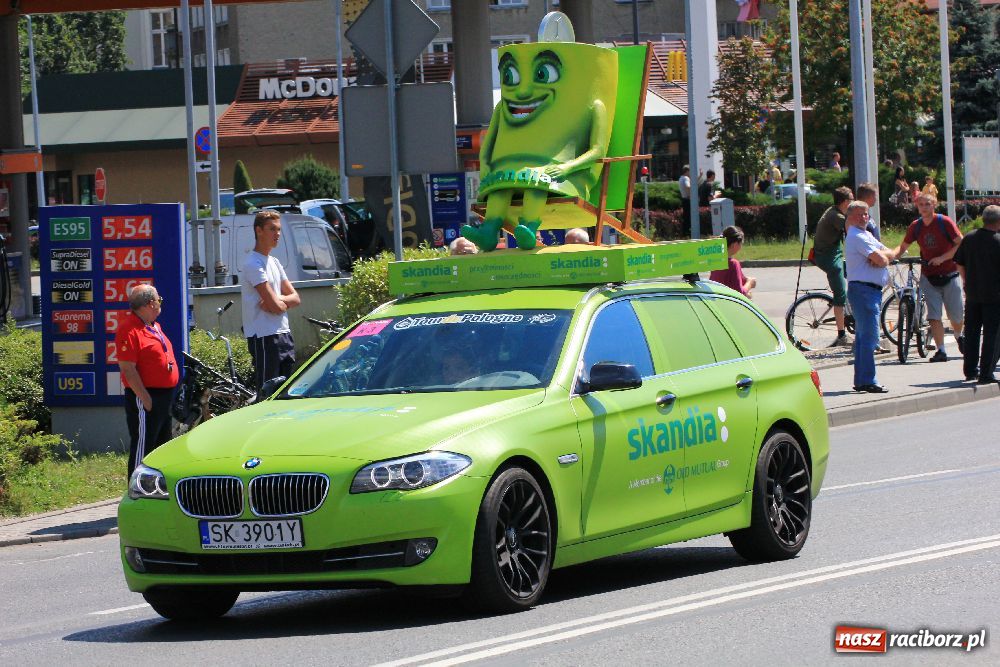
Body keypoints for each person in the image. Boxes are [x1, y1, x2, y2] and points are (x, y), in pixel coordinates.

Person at [892, 193, 964, 362]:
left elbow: (961, 243)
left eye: (927, 204)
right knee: (934, 315)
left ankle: (958, 334)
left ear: (934, 205)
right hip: (929, 276)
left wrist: (943, 258)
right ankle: (941, 351)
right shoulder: (915, 226)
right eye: (921, 204)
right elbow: (903, 246)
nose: (924, 207)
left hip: (950, 273)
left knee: (956, 317)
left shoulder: (944, 222)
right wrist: (890, 256)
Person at [116, 284, 179, 477]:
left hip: (164, 397)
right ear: (151, 303)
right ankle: (135, 493)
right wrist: (145, 399)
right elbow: (127, 368)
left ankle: (158, 492)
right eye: (159, 300)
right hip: (147, 398)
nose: (160, 303)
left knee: (162, 447)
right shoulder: (129, 329)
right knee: (144, 448)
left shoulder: (153, 326)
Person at [241, 210, 301, 391]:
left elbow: (296, 298)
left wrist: (278, 300)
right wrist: (278, 303)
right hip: (264, 336)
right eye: (272, 229)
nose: (277, 234)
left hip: (284, 333)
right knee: (267, 393)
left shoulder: (274, 262)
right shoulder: (253, 263)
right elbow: (275, 307)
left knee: (285, 392)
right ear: (259, 231)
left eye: (279, 230)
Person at [845, 201, 893, 393]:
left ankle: (863, 379)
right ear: (850, 217)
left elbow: (891, 252)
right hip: (864, 291)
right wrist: (880, 258)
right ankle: (867, 380)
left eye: (866, 214)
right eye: (859, 215)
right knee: (869, 337)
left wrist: (881, 257)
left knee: (865, 336)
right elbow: (882, 258)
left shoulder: (867, 235)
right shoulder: (857, 236)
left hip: (870, 291)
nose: (864, 217)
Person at [953, 205, 1000, 384]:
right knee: (992, 335)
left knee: (972, 332)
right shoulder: (998, 241)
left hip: (973, 293)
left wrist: (966, 281)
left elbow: (959, 263)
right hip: (994, 296)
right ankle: (986, 372)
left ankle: (970, 370)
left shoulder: (970, 238)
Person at [812, 186, 854, 346]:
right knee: (840, 294)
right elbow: (854, 230)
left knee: (855, 274)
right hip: (828, 257)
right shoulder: (836, 216)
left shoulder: (835, 211)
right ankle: (842, 335)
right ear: (844, 202)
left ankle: (849, 308)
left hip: (832, 253)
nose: (853, 202)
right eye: (851, 199)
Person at [709, 226, 756, 298]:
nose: (741, 246)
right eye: (741, 243)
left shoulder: (716, 261)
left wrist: (746, 281)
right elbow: (739, 293)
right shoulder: (733, 264)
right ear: (735, 245)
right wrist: (750, 283)